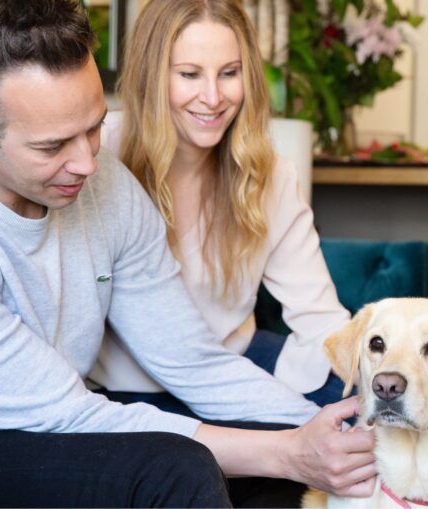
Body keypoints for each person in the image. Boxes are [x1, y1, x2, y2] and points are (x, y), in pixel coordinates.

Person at [0, 0, 375, 507]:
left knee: (272, 454)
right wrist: (286, 451)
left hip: (64, 413)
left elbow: (189, 358)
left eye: (94, 127)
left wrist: (329, 435)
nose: (88, 162)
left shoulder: (107, 184)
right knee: (182, 467)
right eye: (53, 147)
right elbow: (69, 412)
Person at [89, 0, 350, 408]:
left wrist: (367, 391)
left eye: (230, 73)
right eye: (189, 74)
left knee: (377, 421)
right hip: (121, 388)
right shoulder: (96, 158)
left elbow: (322, 319)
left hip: (234, 366)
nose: (212, 97)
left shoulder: (271, 175)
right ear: (151, 77)